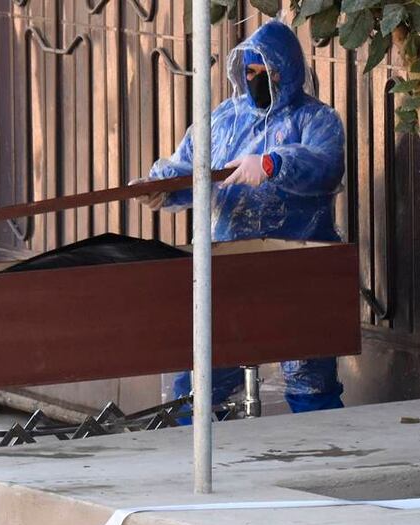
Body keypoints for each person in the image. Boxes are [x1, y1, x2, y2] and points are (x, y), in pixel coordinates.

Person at [135, 20, 346, 414]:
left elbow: (326, 166)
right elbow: (191, 168)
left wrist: (273, 163)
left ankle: (328, 451)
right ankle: (197, 450)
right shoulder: (223, 120)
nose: (258, 80)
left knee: (311, 382)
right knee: (200, 384)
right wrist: (161, 187)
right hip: (230, 266)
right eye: (250, 72)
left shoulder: (316, 120)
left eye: (269, 72)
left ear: (289, 71)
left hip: (298, 267)